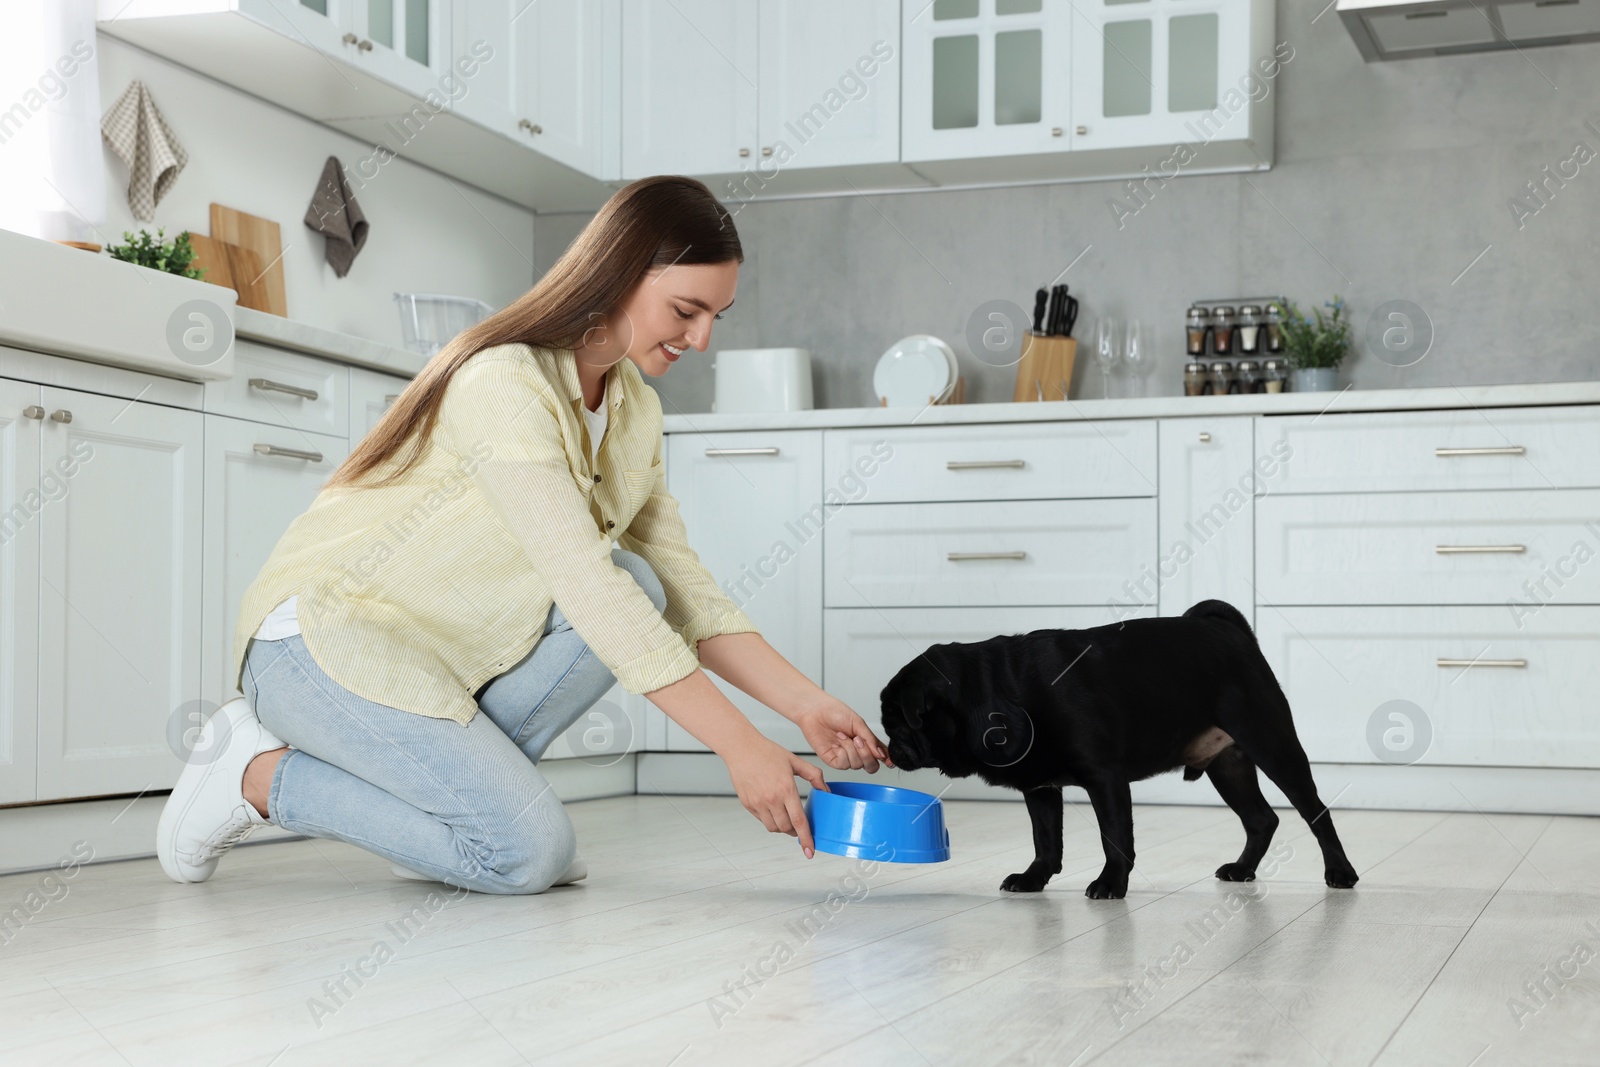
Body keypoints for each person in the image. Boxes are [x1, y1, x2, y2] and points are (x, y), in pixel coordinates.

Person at [156, 175, 892, 894]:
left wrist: (804, 704)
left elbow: (684, 591)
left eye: (716, 317)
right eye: (686, 309)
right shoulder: (505, 381)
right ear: (620, 275)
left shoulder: (633, 410)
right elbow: (585, 586)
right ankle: (252, 775)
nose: (699, 339)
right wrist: (738, 743)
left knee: (644, 580)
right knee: (525, 853)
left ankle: (457, 820)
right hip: (319, 645)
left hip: (432, 659)